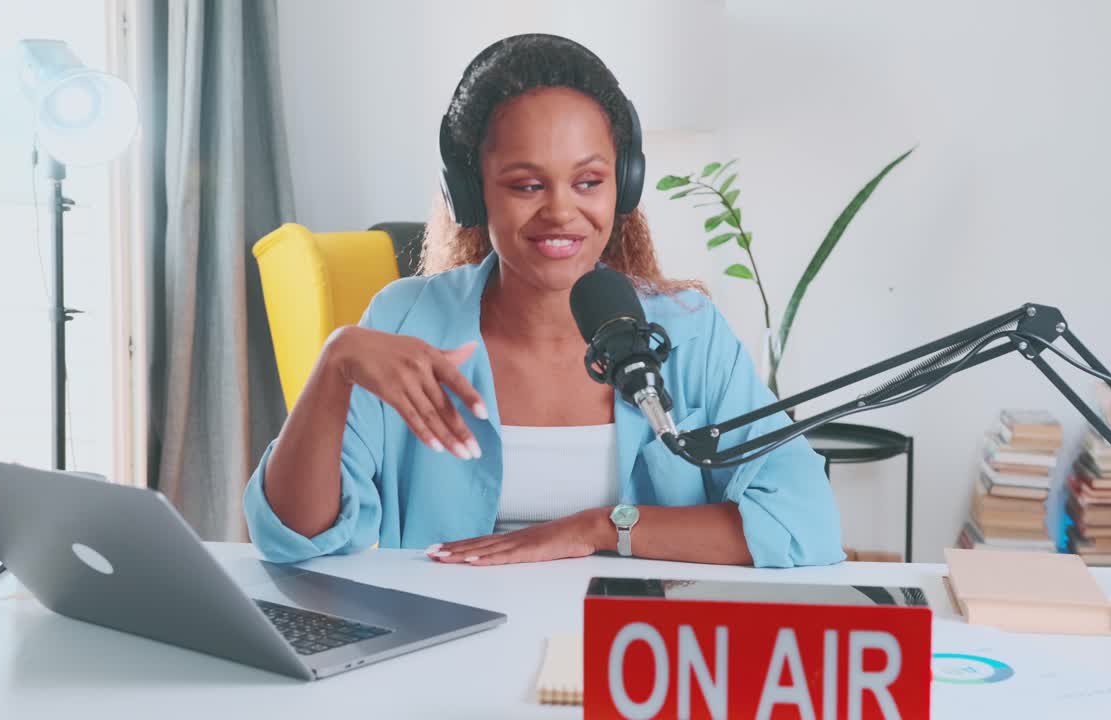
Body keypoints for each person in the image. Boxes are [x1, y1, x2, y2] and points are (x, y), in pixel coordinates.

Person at [244, 33, 844, 568]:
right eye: (526, 185)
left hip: (634, 660)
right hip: (449, 649)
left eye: (588, 182)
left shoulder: (687, 331)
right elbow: (294, 538)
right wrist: (335, 364)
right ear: (472, 192)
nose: (560, 211)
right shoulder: (408, 319)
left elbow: (804, 525)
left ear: (624, 183)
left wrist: (599, 528)